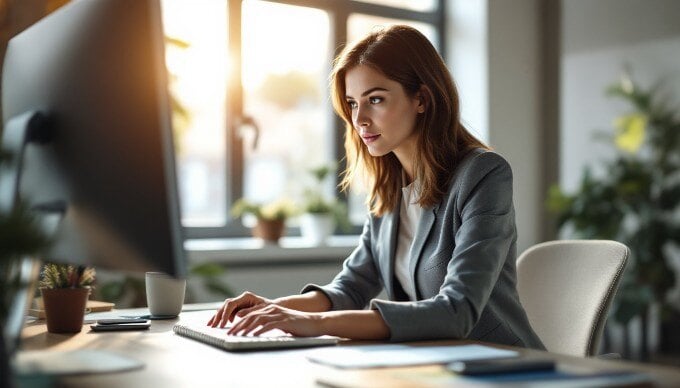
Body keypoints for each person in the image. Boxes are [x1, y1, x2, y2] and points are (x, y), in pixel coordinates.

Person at [208, 25, 544, 349]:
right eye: (353, 103)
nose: (359, 119)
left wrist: (316, 324)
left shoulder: (483, 174)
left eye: (376, 99)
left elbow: (457, 311)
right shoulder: (390, 188)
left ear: (422, 99)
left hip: (504, 365)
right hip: (435, 366)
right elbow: (350, 288)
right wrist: (273, 309)